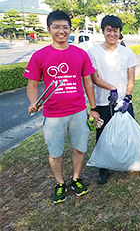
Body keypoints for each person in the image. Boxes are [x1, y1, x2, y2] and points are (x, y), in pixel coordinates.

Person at [23, 10, 100, 203]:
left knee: (79, 148)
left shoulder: (80, 54)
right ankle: (59, 183)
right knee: (55, 153)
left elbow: (88, 82)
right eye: (56, 27)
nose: (61, 31)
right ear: (49, 29)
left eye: (65, 27)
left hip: (78, 112)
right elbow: (32, 85)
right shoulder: (39, 56)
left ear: (70, 29)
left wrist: (93, 107)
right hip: (53, 115)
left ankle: (76, 178)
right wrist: (34, 102)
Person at [87, 15, 138, 185]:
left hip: (123, 102)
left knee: (127, 132)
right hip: (103, 102)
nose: (112, 34)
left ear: (119, 32)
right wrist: (112, 89)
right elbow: (94, 78)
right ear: (103, 31)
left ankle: (127, 160)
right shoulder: (93, 52)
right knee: (103, 135)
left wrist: (127, 98)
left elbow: (131, 78)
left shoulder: (127, 52)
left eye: (115, 30)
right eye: (108, 30)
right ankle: (103, 168)